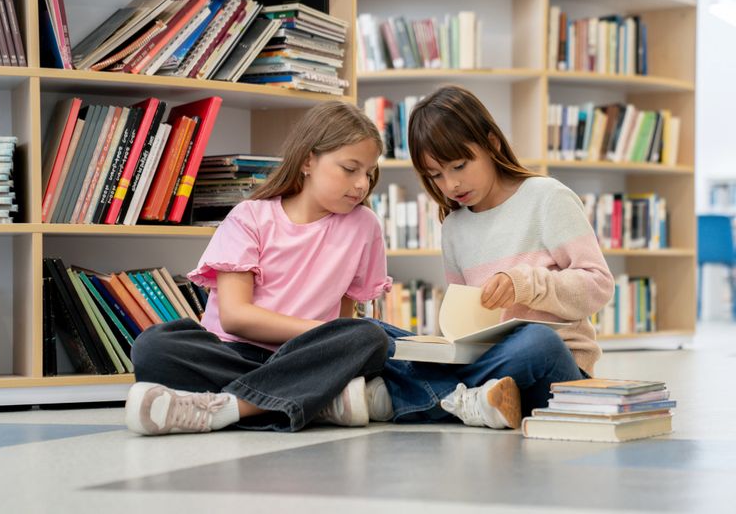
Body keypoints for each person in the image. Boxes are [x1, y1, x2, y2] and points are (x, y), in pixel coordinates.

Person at [125, 102, 395, 435]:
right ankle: (314, 401)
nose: (361, 185)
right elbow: (236, 318)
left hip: (304, 357)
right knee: (153, 346)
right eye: (350, 169)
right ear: (308, 160)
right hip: (234, 352)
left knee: (369, 337)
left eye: (369, 173)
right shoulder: (250, 216)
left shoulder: (364, 226)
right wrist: (321, 335)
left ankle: (227, 408)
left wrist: (329, 341)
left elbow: (342, 324)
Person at [376, 85, 614, 429]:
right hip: (486, 366)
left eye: (459, 165)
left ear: (492, 144)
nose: (451, 185)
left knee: (540, 341)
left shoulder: (547, 198)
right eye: (436, 175)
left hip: (552, 369)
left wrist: (524, 285)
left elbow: (599, 286)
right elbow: (464, 321)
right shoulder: (454, 227)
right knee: (372, 334)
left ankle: (406, 397)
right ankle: (470, 400)